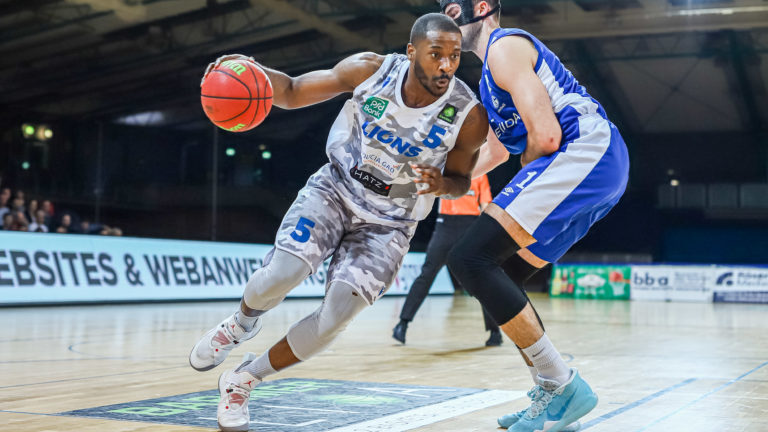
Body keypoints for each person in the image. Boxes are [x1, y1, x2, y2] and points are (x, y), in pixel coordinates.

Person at [189, 13, 487, 432]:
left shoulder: (467, 115)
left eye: (454, 56)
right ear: (411, 51)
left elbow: (461, 181)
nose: (446, 65)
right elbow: (291, 92)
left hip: (390, 224)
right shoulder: (370, 70)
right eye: (436, 54)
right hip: (335, 190)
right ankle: (241, 323)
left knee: (335, 319)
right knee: (283, 273)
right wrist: (249, 70)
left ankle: (243, 379)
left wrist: (443, 183)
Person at [439, 1, 630, 432]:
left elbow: (545, 136)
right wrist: (442, 178)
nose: (447, 20)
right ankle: (554, 395)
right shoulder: (489, 77)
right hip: (598, 163)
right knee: (498, 274)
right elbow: (496, 151)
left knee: (470, 258)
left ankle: (562, 385)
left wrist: (521, 183)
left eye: (454, 8)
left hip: (585, 150)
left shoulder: (504, 47)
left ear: (481, 7)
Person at [392, 174, 502, 346]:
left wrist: (486, 233)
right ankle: (402, 324)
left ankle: (495, 331)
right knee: (427, 274)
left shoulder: (481, 175)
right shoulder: (450, 169)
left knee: (481, 279)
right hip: (446, 225)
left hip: (471, 225)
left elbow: (485, 204)